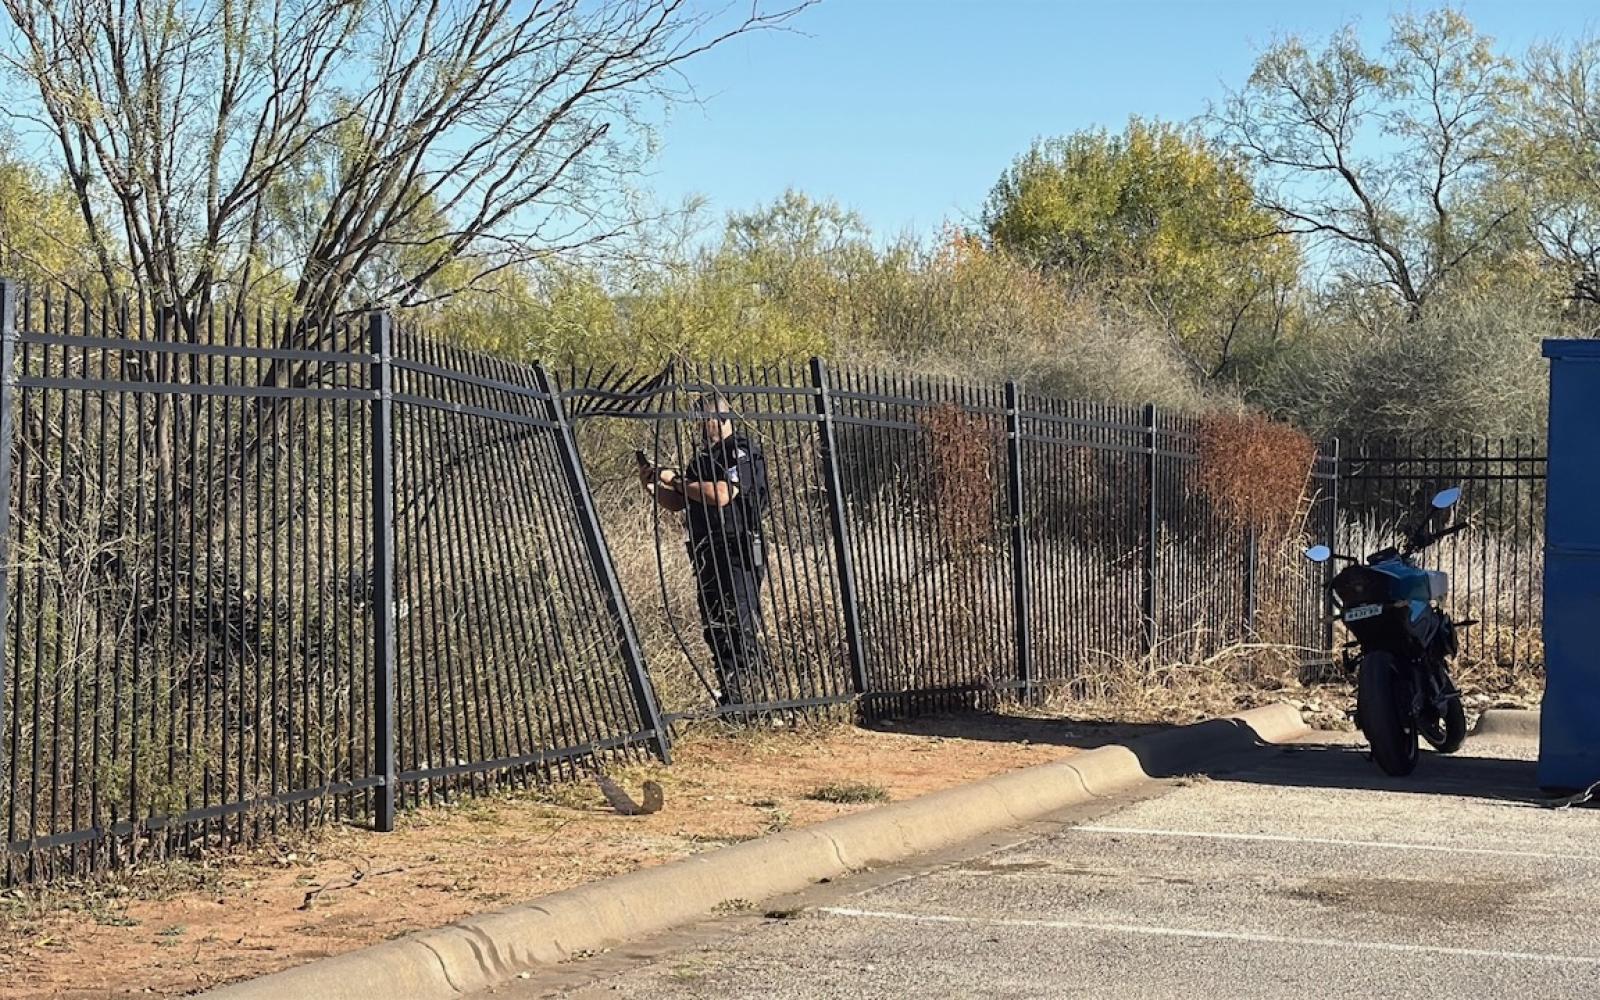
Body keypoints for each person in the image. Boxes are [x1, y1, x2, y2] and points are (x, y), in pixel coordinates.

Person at [638, 392, 770, 707]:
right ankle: (732, 697)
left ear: (721, 418)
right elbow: (677, 502)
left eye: (704, 420)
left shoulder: (740, 451)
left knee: (739, 621)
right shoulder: (701, 460)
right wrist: (653, 484)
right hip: (705, 550)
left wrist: (678, 480)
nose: (699, 427)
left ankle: (756, 698)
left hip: (736, 549)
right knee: (716, 624)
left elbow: (723, 494)